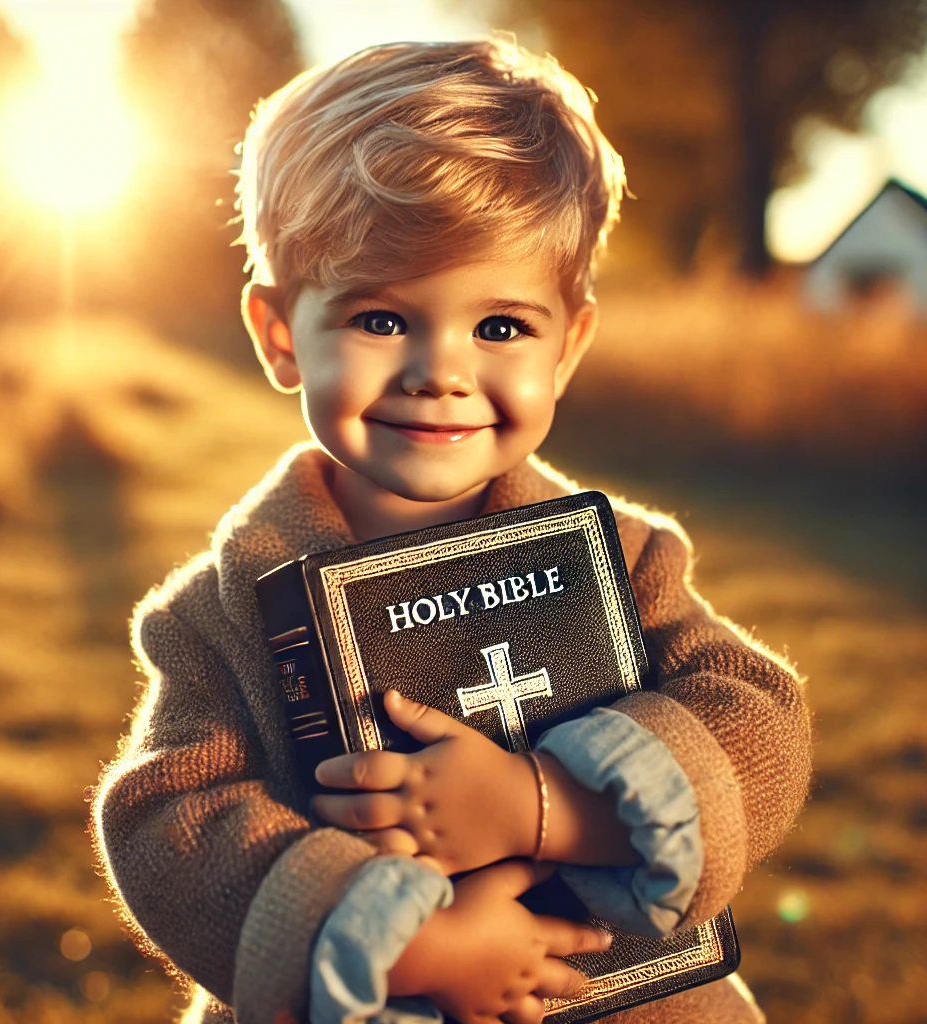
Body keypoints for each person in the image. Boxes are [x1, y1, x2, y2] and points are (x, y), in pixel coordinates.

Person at [91, 37, 812, 1024]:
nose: (442, 369)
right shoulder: (221, 611)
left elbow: (760, 714)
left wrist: (541, 803)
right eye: (381, 319)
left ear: (569, 345)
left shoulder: (625, 561)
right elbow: (169, 819)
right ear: (277, 334)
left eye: (501, 326)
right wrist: (409, 943)